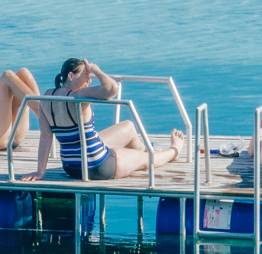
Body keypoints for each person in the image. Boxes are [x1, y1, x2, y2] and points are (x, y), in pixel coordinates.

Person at [22, 58, 185, 182]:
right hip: (99, 166)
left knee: (128, 126)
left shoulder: (46, 98)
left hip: (72, 167)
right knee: (145, 160)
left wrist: (39, 172)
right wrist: (97, 70)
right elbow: (112, 88)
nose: (89, 80)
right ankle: (173, 151)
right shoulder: (78, 96)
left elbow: (45, 137)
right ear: (70, 76)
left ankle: (146, 148)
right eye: (86, 76)